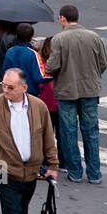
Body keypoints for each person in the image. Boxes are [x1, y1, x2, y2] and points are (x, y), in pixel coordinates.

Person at [0, 67, 58, 214]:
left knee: (21, 211)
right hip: (2, 169)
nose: (5, 90)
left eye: (11, 87)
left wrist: (53, 165)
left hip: (30, 172)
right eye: (3, 85)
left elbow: (48, 139)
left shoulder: (39, 107)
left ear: (24, 88)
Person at [44, 4, 107, 184]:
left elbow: (52, 67)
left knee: (69, 132)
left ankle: (75, 172)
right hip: (90, 90)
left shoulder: (59, 39)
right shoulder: (94, 37)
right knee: (91, 132)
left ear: (63, 18)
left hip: (66, 91)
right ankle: (95, 173)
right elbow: (103, 63)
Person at [37, 36, 65, 172]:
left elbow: (40, 84)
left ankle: (46, 160)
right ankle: (63, 161)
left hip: (46, 104)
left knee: (46, 134)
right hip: (60, 103)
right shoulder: (62, 64)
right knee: (62, 134)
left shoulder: (43, 64)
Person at [1, 23, 48, 96]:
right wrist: (53, 75)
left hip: (13, 90)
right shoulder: (33, 54)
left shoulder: (10, 51)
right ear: (31, 38)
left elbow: (5, 71)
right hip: (29, 92)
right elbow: (39, 77)